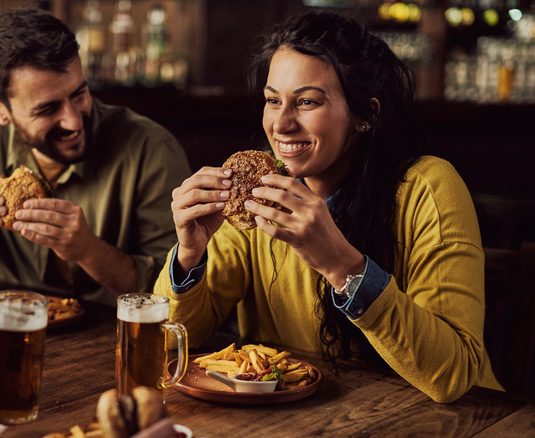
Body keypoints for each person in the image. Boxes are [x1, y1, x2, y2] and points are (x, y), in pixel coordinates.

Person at [154, 12, 503, 403]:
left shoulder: (429, 188)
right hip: (307, 417)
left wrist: (342, 266)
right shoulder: (255, 198)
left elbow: (451, 376)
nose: (281, 125)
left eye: (306, 102)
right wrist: (189, 255)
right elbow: (172, 342)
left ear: (365, 115)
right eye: (273, 100)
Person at [0, 7, 191, 306]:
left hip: (114, 337)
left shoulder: (151, 149)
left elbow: (178, 299)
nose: (74, 121)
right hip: (8, 330)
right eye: (47, 109)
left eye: (79, 94)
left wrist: (88, 251)